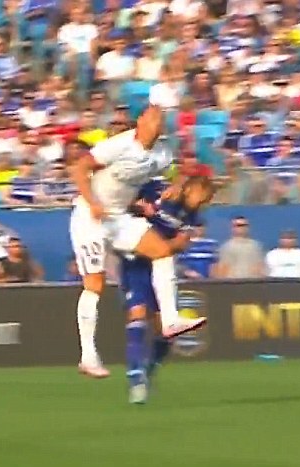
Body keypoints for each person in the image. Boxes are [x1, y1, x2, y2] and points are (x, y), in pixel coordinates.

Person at [68, 105, 206, 378]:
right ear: (141, 122)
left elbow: (173, 171)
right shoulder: (119, 145)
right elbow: (80, 167)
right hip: (90, 216)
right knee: (94, 284)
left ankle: (169, 320)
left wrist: (176, 185)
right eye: (153, 117)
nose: (158, 122)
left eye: (161, 119)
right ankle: (88, 356)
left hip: (119, 218)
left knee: (162, 251)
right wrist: (92, 203)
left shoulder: (162, 152)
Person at [119, 175, 215, 404]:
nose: (203, 203)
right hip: (136, 263)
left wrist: (157, 239)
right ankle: (135, 381)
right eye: (202, 197)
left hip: (160, 264)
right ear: (191, 187)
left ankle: (149, 371)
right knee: (137, 315)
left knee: (166, 330)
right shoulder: (157, 190)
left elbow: (180, 244)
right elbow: (128, 206)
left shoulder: (192, 216)